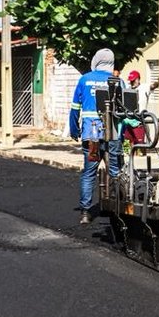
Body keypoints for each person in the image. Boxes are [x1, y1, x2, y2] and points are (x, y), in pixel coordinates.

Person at [69, 48, 121, 224]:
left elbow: (75, 109)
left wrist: (74, 130)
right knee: (115, 171)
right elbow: (126, 110)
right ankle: (118, 210)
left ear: (96, 60)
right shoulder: (117, 81)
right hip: (112, 135)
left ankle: (85, 213)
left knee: (89, 173)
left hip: (91, 135)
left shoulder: (84, 80)